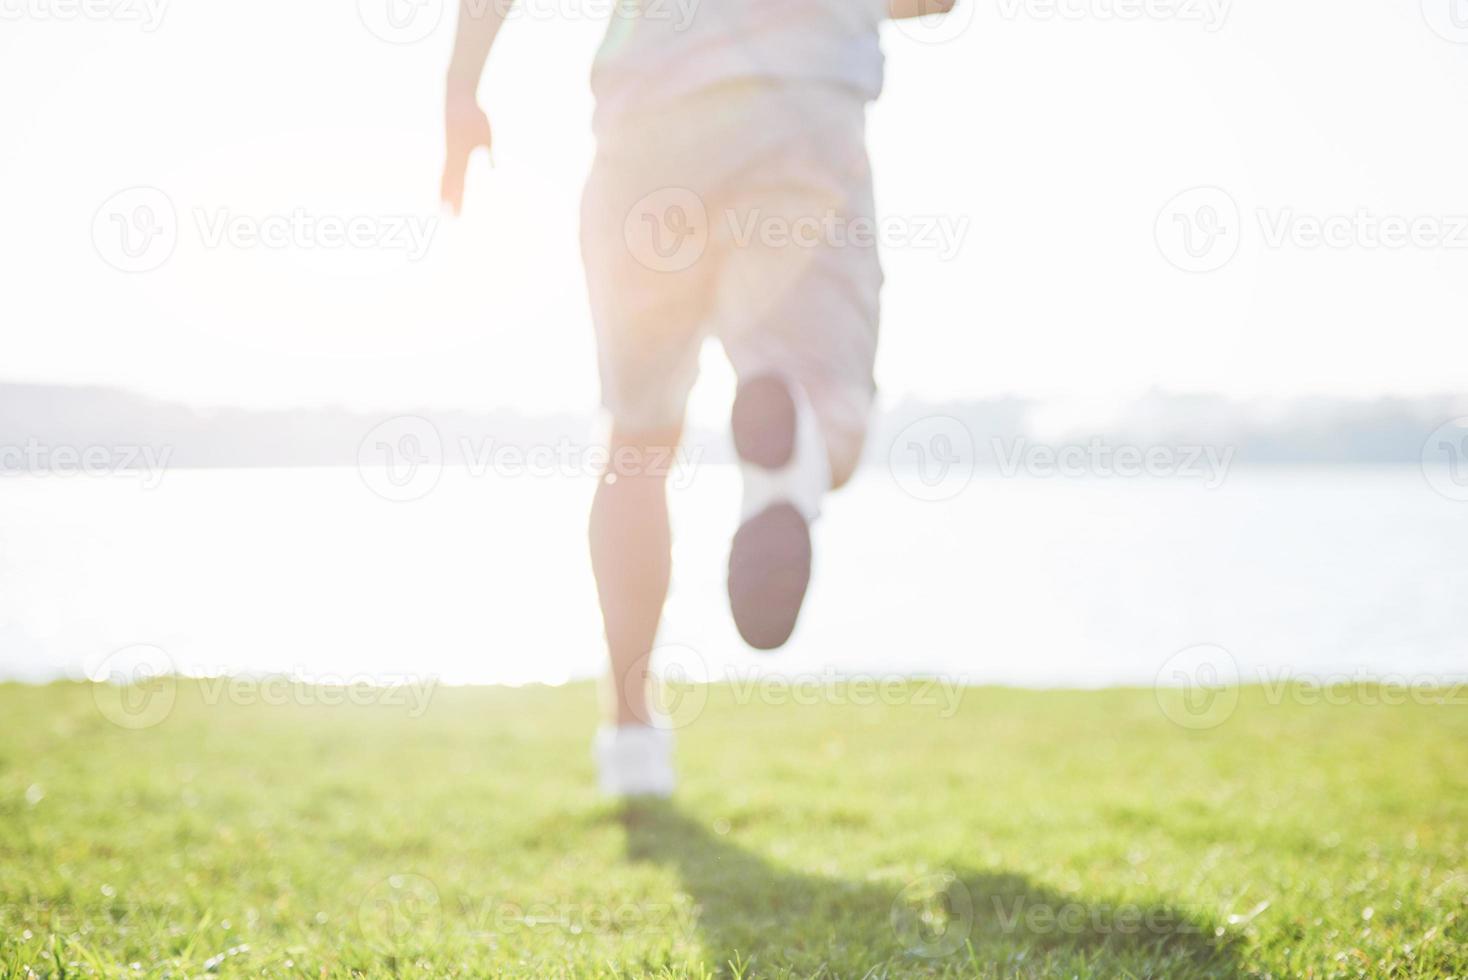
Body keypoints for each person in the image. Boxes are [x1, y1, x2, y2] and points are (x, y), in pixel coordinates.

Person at [441, 0, 955, 797]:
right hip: (799, 112)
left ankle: (632, 739)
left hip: (646, 130)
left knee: (637, 439)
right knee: (829, 409)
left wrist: (461, 89)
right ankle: (788, 459)